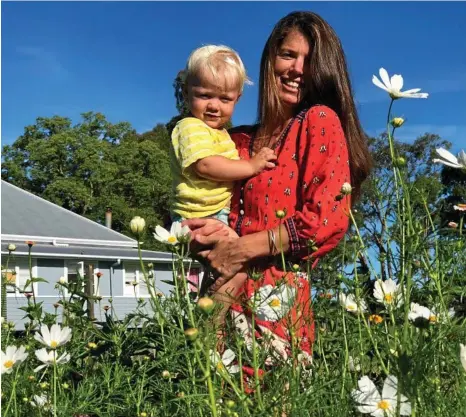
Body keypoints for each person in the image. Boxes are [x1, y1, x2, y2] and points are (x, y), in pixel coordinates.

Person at [186, 11, 372, 373]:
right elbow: (189, 194)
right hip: (212, 299)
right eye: (288, 55)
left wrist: (239, 248)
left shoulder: (317, 122)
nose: (297, 69)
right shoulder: (233, 139)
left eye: (310, 60)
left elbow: (324, 222)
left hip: (275, 307)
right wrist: (199, 235)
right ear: (270, 57)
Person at [169, 45, 277, 322]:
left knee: (230, 267)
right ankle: (210, 328)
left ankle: (209, 319)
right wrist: (251, 166)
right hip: (198, 218)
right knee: (239, 263)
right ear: (186, 91)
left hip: (212, 215)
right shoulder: (190, 128)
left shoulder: (219, 133)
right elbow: (206, 165)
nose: (214, 106)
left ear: (237, 99)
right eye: (204, 95)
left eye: (224, 99)